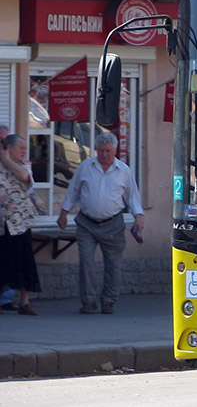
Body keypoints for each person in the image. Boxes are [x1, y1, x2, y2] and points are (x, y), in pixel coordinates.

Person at [57, 132, 144, 314]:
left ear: (115, 151)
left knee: (113, 264)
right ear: (96, 150)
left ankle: (109, 300)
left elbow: (132, 197)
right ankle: (88, 301)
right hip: (86, 223)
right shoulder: (86, 167)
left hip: (113, 224)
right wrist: (63, 213)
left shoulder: (124, 170)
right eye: (101, 150)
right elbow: (73, 191)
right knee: (86, 261)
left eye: (108, 151)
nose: (104, 154)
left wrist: (138, 217)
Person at [0, 134, 42, 315]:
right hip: (3, 222)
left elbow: (24, 176)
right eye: (21, 148)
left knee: (24, 261)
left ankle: (25, 302)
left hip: (21, 222)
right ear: (10, 147)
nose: (25, 152)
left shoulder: (24, 166)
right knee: (3, 261)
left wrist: (5, 158)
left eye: (26, 148)